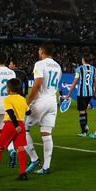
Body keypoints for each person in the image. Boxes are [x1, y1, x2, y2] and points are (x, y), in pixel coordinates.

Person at [24, 42, 62, 175]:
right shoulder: (58, 66)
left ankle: (34, 159)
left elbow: (38, 84)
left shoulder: (39, 64)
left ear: (42, 51)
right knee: (46, 133)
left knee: (23, 129)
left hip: (41, 101)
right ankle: (46, 167)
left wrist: (28, 102)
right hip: (52, 102)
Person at [0, 78, 30, 180]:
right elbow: (28, 112)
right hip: (21, 125)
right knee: (20, 148)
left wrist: (15, 125)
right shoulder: (22, 99)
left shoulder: (7, 99)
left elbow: (10, 112)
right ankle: (23, 173)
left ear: (8, 89)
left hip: (11, 125)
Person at [65, 55, 96, 137]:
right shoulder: (94, 69)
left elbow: (75, 82)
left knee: (81, 111)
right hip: (89, 93)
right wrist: (95, 92)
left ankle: (84, 131)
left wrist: (69, 93)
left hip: (81, 93)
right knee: (84, 110)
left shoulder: (79, 69)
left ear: (83, 60)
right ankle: (85, 126)